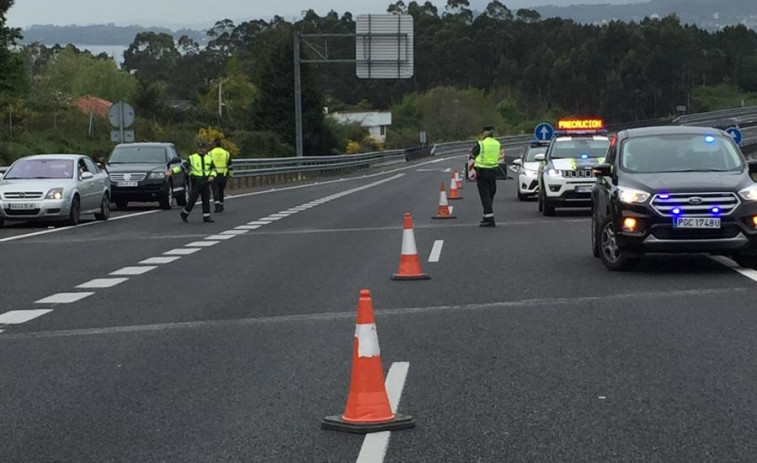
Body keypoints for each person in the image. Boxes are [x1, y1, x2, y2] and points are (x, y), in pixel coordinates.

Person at [175, 140, 216, 223]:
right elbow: (183, 167)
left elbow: (214, 169)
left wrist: (212, 176)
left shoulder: (209, 158)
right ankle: (184, 213)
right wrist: (172, 171)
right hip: (196, 181)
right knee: (192, 199)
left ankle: (206, 216)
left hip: (206, 181)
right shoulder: (192, 157)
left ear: (206, 149)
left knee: (206, 199)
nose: (201, 150)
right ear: (197, 149)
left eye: (203, 148)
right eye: (200, 148)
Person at [469, 126, 501, 227]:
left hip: (483, 172)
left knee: (485, 196)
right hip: (494, 172)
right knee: (490, 195)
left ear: (484, 134)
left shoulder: (481, 143)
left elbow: (473, 154)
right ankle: (486, 216)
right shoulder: (497, 143)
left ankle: (490, 219)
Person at [209, 137, 232, 212]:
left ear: (214, 144)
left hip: (214, 174)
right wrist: (231, 175)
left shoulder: (210, 153)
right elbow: (230, 165)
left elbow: (208, 165)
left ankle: (217, 206)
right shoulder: (226, 153)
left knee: (215, 190)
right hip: (223, 175)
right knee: (221, 190)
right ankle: (221, 205)